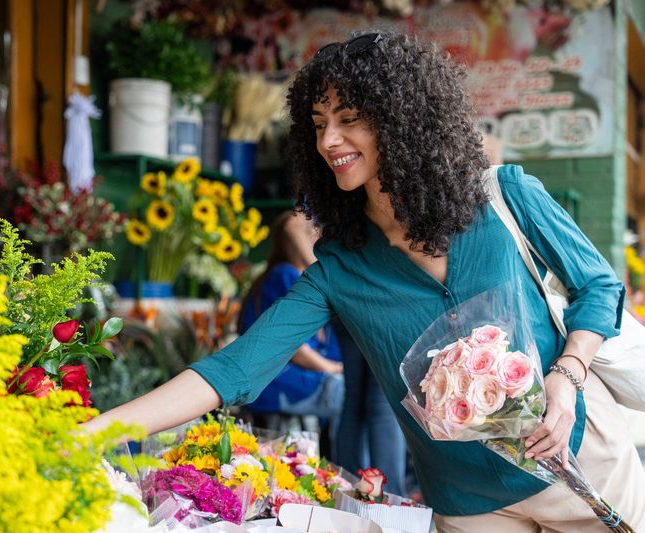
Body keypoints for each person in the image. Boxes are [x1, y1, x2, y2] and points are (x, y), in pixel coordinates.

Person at [85, 32, 645, 531]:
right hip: (473, 506)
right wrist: (99, 431)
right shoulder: (340, 269)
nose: (330, 140)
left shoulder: (504, 198)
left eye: (349, 118)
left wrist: (567, 379)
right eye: (318, 123)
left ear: (402, 121)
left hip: (582, 460)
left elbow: (598, 286)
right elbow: (234, 368)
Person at [238, 210, 344, 432]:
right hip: (280, 383)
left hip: (286, 381)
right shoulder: (285, 274)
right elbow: (294, 347)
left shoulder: (284, 274)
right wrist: (333, 368)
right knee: (354, 396)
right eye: (312, 232)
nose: (319, 236)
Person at [332, 319, 407, 496]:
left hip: (346, 303)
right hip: (387, 308)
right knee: (383, 404)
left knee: (353, 398)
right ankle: (388, 498)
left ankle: (348, 491)